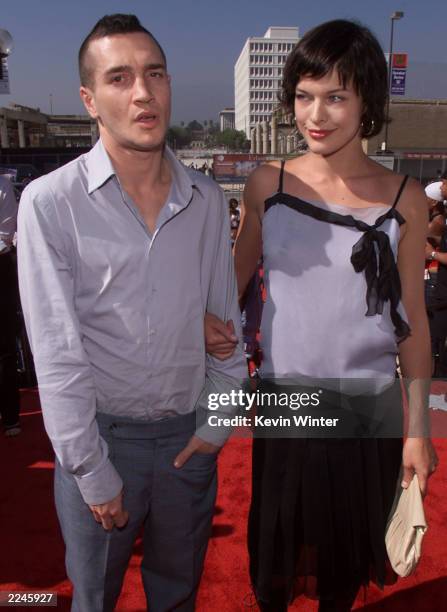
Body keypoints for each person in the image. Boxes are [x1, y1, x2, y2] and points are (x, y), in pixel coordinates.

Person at [206, 19, 438, 611]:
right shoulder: (267, 183)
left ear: (368, 101)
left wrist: (417, 431)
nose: (317, 113)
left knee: (343, 566)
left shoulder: (403, 198)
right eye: (305, 95)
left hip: (368, 407)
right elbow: (229, 288)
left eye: (336, 96)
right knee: (275, 563)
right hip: (288, 402)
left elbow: (411, 322)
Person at [18, 14, 245, 612]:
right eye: (120, 78)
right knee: (94, 599)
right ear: (90, 100)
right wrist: (92, 472)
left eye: (155, 73)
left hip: (185, 444)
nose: (143, 92)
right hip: (99, 440)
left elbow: (229, 328)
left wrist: (215, 428)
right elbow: (57, 354)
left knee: (178, 598)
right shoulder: (50, 204)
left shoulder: (205, 199)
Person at [0, 175, 20, 436]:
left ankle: (10, 416)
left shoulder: (2, 185)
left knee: (4, 347)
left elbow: (5, 234)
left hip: (0, 269)